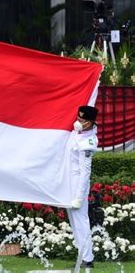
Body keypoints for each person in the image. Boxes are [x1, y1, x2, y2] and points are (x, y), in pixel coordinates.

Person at [67, 105, 99, 269]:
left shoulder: (88, 141)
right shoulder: (78, 132)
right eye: (78, 119)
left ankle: (88, 258)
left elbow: (85, 172)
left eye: (82, 121)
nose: (78, 122)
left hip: (78, 182)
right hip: (69, 181)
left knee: (81, 219)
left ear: (90, 122)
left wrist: (79, 196)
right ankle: (82, 254)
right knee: (74, 220)